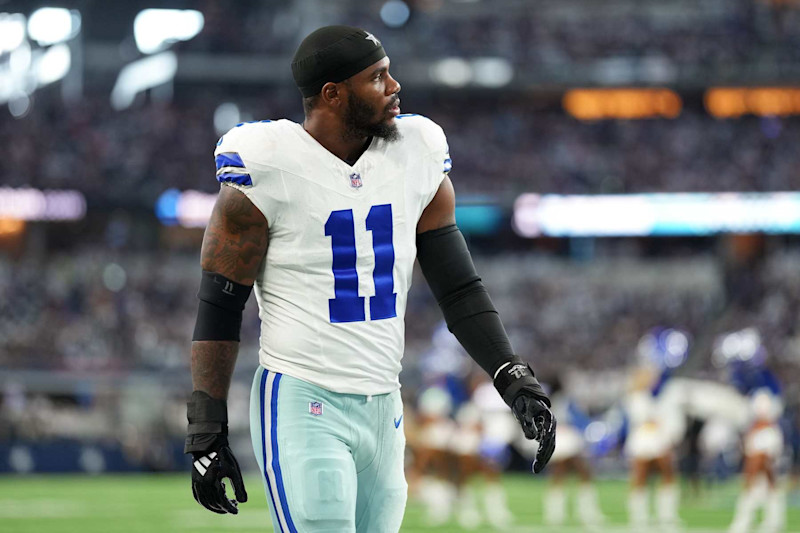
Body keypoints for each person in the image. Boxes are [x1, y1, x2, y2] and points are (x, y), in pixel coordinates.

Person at [182, 25, 556, 532]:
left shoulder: (416, 152)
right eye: (377, 77)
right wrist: (206, 426)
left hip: (384, 403)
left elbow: (458, 286)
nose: (395, 85)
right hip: (302, 396)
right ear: (333, 94)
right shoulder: (268, 166)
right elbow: (221, 305)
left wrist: (510, 374)